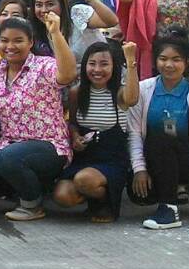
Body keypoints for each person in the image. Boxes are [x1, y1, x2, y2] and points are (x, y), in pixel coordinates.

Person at [0, 14, 77, 221]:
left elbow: (68, 74)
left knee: (10, 158)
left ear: (30, 42)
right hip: (8, 145)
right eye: (4, 40)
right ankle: (23, 188)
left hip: (49, 145)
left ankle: (32, 205)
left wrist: (55, 33)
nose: (10, 46)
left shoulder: (43, 66)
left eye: (18, 40)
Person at [127, 34, 189, 231]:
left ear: (186, 62)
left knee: (165, 139)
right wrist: (139, 169)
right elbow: (134, 133)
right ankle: (166, 195)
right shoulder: (144, 89)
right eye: (163, 59)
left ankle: (169, 209)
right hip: (154, 160)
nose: (169, 65)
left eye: (176, 59)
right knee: (139, 194)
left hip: (187, 161)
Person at [54, 41, 140, 223]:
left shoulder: (119, 93)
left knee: (84, 180)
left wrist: (131, 60)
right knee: (62, 195)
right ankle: (92, 200)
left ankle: (105, 202)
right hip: (85, 157)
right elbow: (72, 123)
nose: (97, 70)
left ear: (114, 67)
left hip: (112, 160)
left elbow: (132, 99)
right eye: (92, 64)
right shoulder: (77, 92)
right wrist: (75, 137)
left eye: (104, 64)